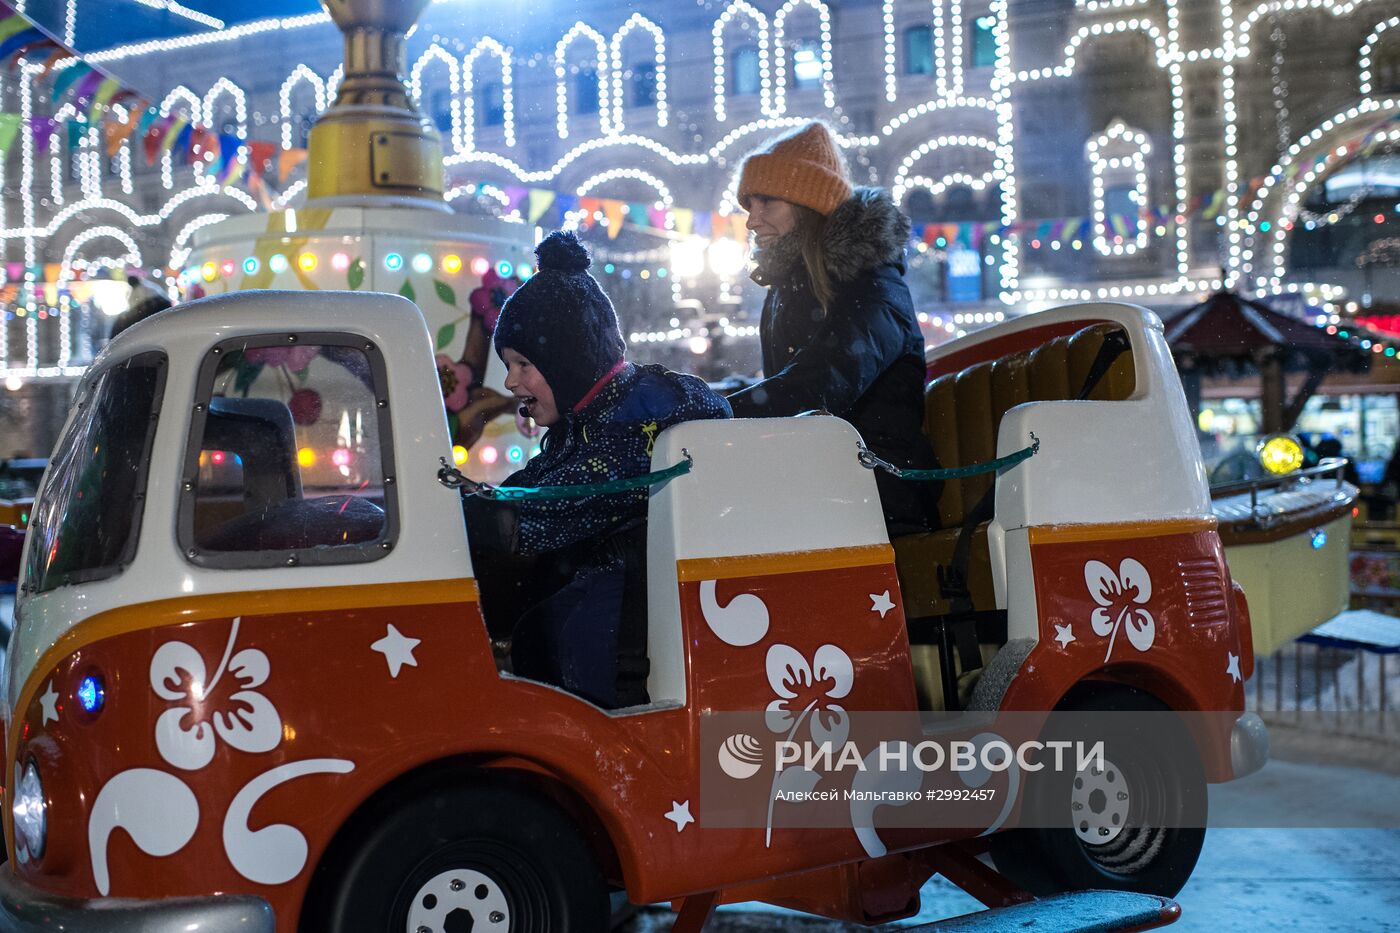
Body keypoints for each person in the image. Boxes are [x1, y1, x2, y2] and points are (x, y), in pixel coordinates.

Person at [470, 230, 730, 709]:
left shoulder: (641, 415)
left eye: (524, 364)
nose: (510, 381)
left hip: (620, 667)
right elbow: (532, 485)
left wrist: (474, 517)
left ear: (569, 359)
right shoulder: (583, 420)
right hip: (594, 639)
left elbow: (557, 504)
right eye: (509, 364)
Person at [724, 121, 939, 535]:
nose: (751, 220)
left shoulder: (874, 284)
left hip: (879, 489)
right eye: (749, 204)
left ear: (808, 203)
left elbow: (821, 382)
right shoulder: (792, 285)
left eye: (766, 201)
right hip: (824, 478)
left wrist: (709, 411)